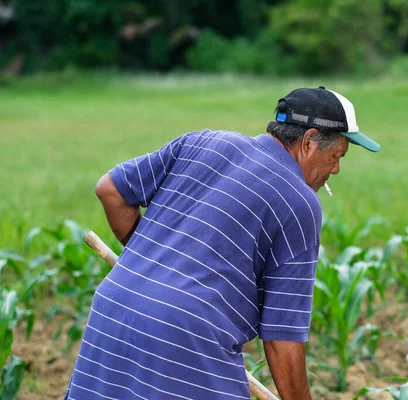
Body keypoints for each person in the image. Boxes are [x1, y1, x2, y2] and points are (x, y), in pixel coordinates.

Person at [64, 86, 380, 400]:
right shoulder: (300, 203)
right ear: (310, 142)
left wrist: (149, 265)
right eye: (337, 155)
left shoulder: (203, 142)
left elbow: (111, 190)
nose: (336, 168)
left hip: (112, 312)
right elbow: (282, 337)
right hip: (187, 339)